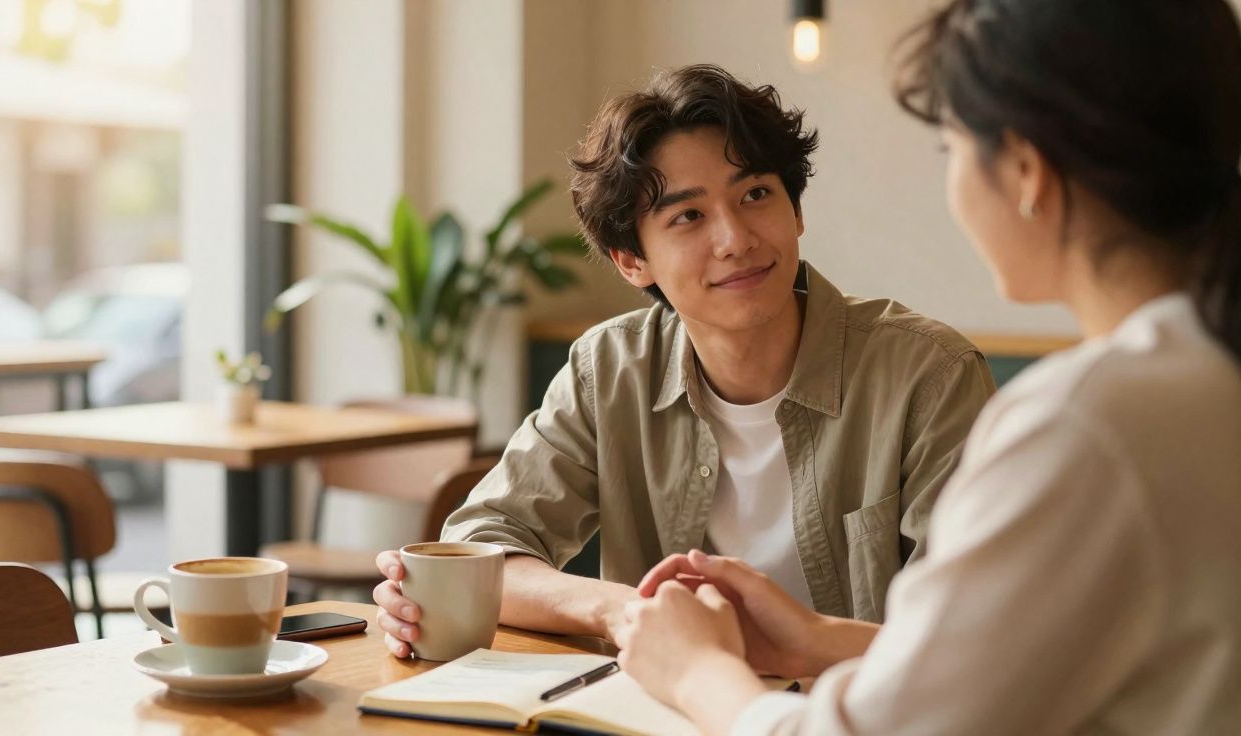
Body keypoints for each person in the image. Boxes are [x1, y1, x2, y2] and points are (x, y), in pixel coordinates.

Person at [613, 1, 1241, 733]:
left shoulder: (1085, 428)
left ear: (1026, 170)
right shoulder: (1201, 370)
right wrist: (824, 640)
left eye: (952, 149)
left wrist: (695, 671)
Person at [372, 64, 995, 658]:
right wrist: (623, 611)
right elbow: (479, 548)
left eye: (755, 194)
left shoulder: (929, 376)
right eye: (689, 216)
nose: (736, 240)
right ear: (631, 261)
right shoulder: (610, 370)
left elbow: (975, 630)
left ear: (796, 211)